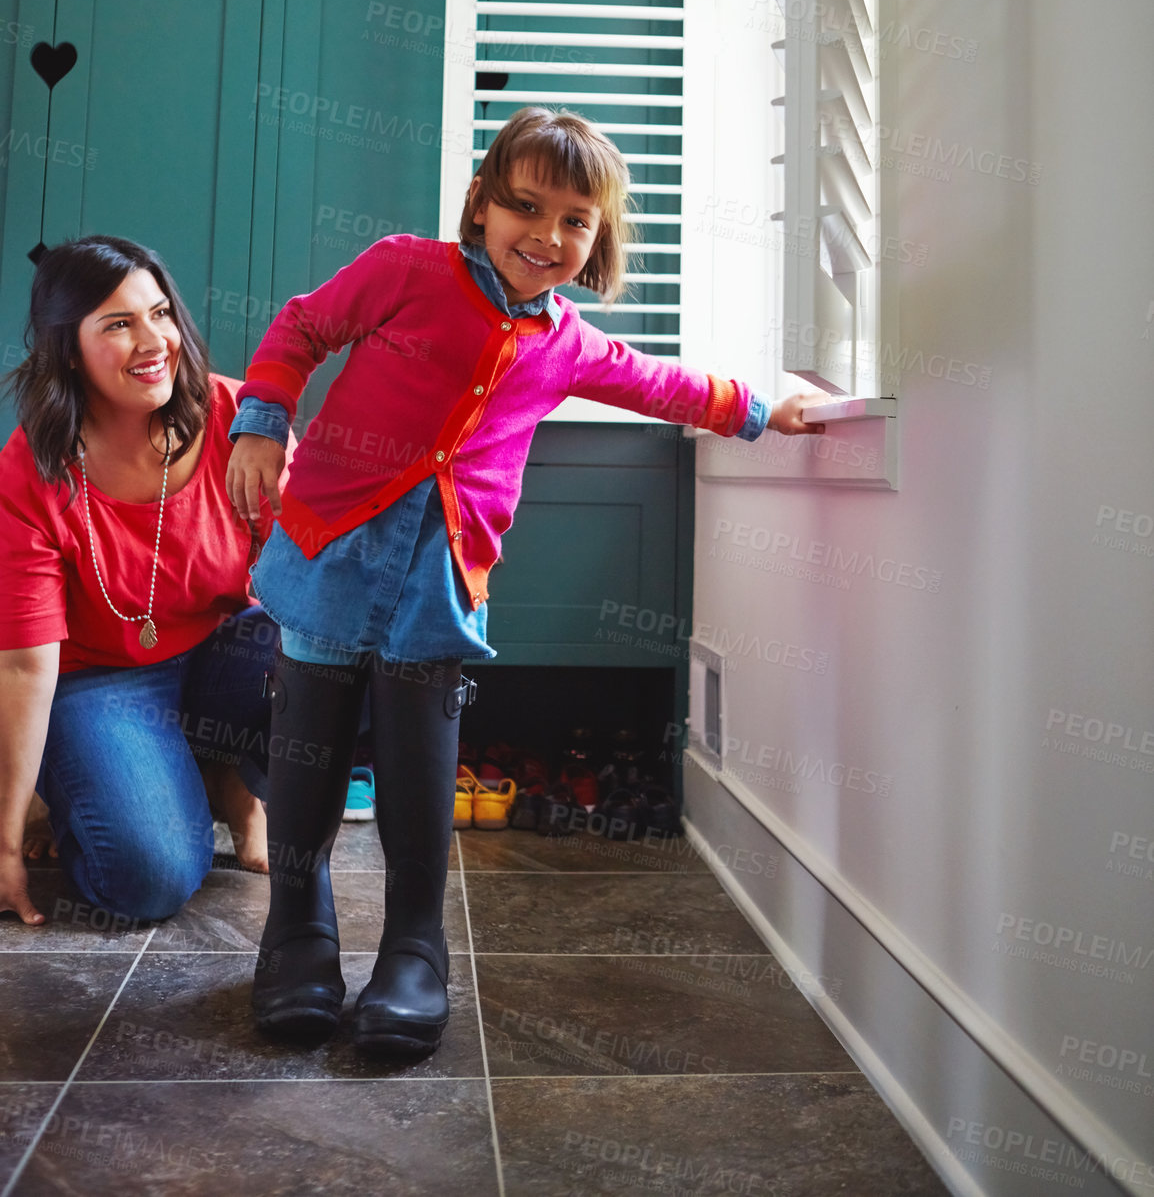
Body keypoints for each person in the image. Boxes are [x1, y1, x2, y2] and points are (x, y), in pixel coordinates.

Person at [227, 106, 828, 1056]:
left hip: (442, 576)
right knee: (310, 749)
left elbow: (664, 384)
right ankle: (297, 932)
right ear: (480, 204)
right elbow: (304, 327)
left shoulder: (568, 344)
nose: (546, 236)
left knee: (420, 768)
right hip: (331, 548)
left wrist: (765, 409)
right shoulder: (404, 270)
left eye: (575, 220)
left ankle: (415, 950)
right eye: (525, 207)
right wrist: (261, 420)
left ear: (597, 239)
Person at [0, 235, 284, 931]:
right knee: (146, 881)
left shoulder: (240, 420)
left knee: (344, 619)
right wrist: (4, 842)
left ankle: (241, 783)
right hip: (100, 681)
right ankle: (77, 786)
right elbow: (24, 665)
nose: (153, 341)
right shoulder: (32, 472)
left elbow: (306, 576)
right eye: (119, 324)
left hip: (228, 658)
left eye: (159, 313)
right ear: (69, 349)